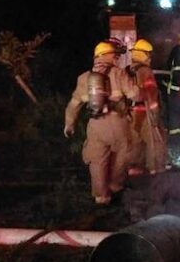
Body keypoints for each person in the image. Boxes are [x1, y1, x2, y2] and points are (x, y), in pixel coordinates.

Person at [64, 40, 141, 205]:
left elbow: (74, 104)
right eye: (115, 55)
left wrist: (69, 124)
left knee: (97, 160)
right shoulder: (119, 73)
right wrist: (137, 87)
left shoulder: (84, 78)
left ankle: (101, 197)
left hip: (95, 125)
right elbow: (135, 95)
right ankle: (115, 186)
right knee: (124, 154)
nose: (117, 59)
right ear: (106, 56)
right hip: (117, 122)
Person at [127, 39, 167, 175]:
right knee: (155, 142)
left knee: (135, 143)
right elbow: (151, 94)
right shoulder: (145, 71)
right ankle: (156, 171)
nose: (150, 57)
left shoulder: (128, 70)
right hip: (145, 112)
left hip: (130, 112)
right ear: (144, 54)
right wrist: (155, 113)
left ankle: (135, 173)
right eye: (149, 54)